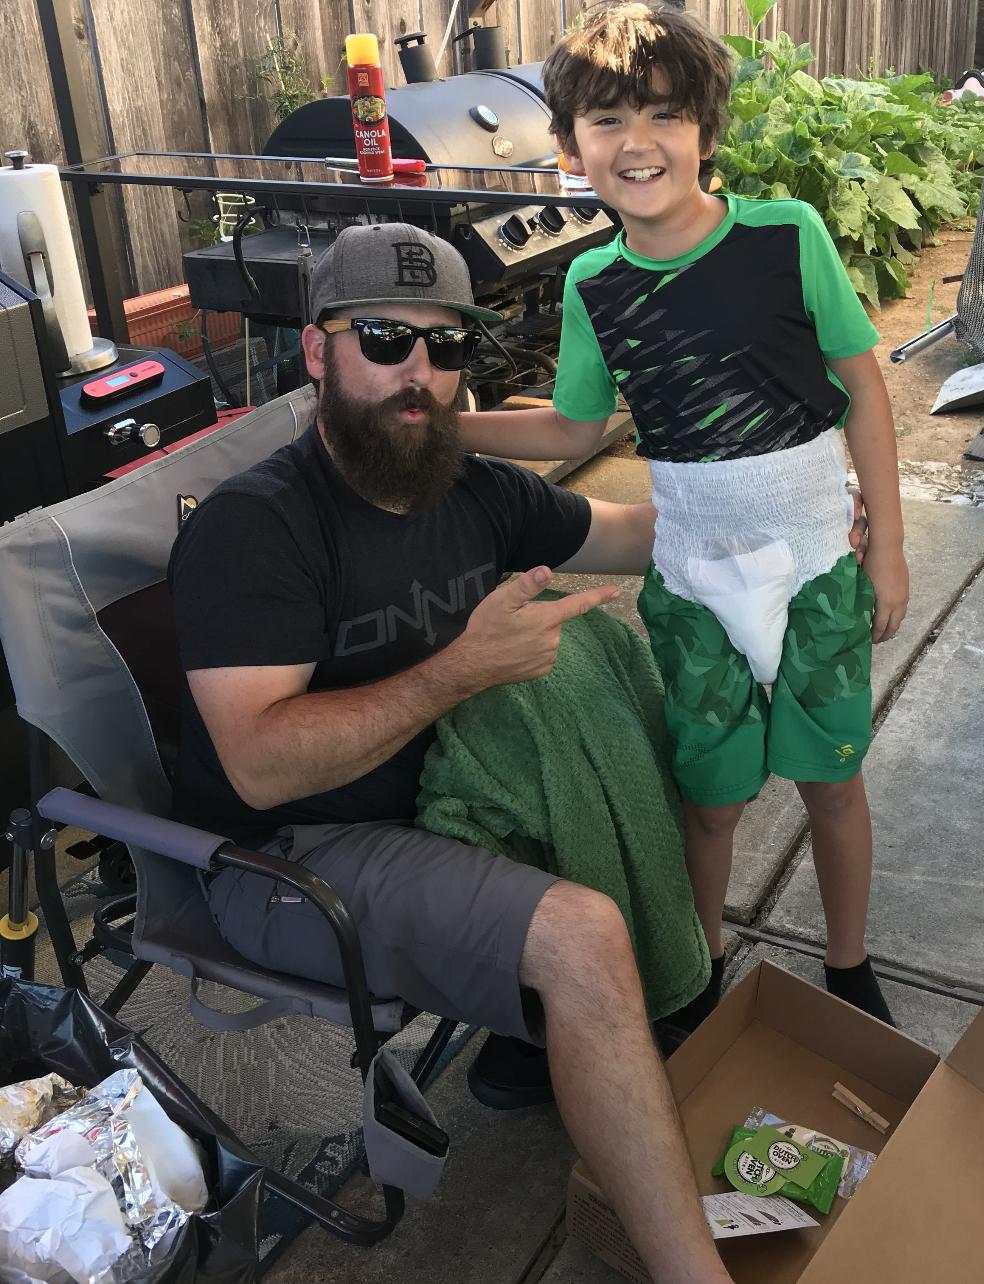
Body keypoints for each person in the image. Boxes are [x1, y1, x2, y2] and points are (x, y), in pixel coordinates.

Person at [167, 221, 738, 1284]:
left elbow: (623, 533)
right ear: (316, 350)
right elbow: (261, 767)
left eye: (446, 345)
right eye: (383, 338)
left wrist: (772, 510)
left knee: (631, 714)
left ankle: (541, 1052)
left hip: (435, 802)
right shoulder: (259, 528)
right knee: (581, 937)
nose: (417, 374)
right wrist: (460, 669)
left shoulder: (466, 488)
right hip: (295, 854)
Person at [458, 2, 910, 1030]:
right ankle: (699, 973)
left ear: (705, 131)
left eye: (663, 115)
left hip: (815, 572)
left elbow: (864, 387)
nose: (637, 141)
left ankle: (848, 965)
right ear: (573, 149)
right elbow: (575, 423)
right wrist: (458, 431)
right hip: (694, 583)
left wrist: (887, 544)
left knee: (830, 785)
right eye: (607, 121)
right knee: (712, 800)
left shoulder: (784, 237)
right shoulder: (593, 282)